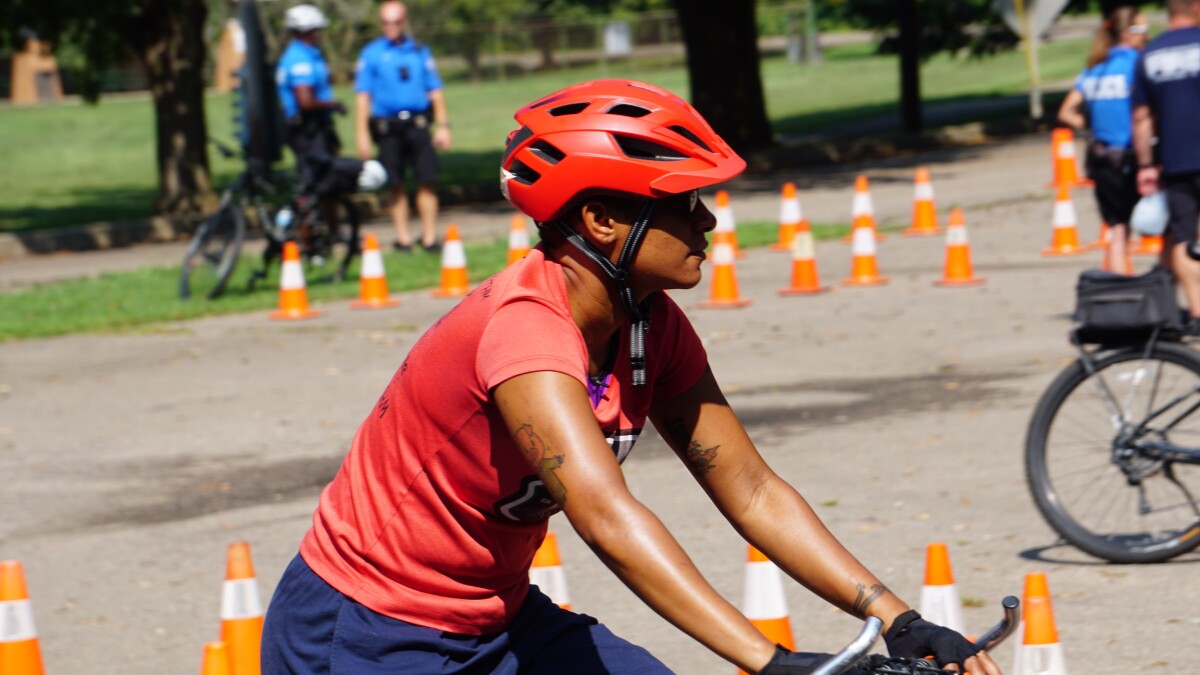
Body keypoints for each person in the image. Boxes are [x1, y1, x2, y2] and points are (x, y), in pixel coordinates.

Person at [260, 79, 1001, 675]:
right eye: (683, 202)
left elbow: (751, 487)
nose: (708, 221)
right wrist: (768, 660)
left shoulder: (648, 321)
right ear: (602, 220)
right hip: (365, 631)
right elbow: (606, 517)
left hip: (497, 618)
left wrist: (898, 619)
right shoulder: (525, 327)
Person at [1058, 6, 1149, 275]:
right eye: (1143, 29)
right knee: (1168, 227)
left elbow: (1066, 112)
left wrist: (1093, 125)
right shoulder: (1138, 64)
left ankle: (1123, 292)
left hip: (1104, 161)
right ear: (1129, 33)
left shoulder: (1095, 69)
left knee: (1118, 230)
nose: (1147, 35)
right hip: (1136, 159)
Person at [354, 0, 450, 253]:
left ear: (404, 22)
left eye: (395, 22)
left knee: (427, 180)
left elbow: (435, 91)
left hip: (418, 125)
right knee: (395, 183)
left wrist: (443, 126)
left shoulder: (419, 51)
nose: (390, 27)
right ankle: (403, 238)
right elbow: (362, 96)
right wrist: (362, 134)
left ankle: (429, 237)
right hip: (387, 128)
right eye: (385, 22)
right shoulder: (371, 54)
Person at [1133, 0, 1200, 321]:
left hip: (1176, 162)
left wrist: (1146, 166)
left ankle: (1197, 308)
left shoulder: (1150, 54)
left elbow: (1142, 119)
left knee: (1183, 237)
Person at [276, 4, 346, 191]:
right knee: (313, 181)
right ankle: (302, 219)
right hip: (306, 129)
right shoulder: (300, 58)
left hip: (316, 126)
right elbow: (305, 101)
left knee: (327, 179)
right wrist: (334, 105)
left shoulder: (311, 55)